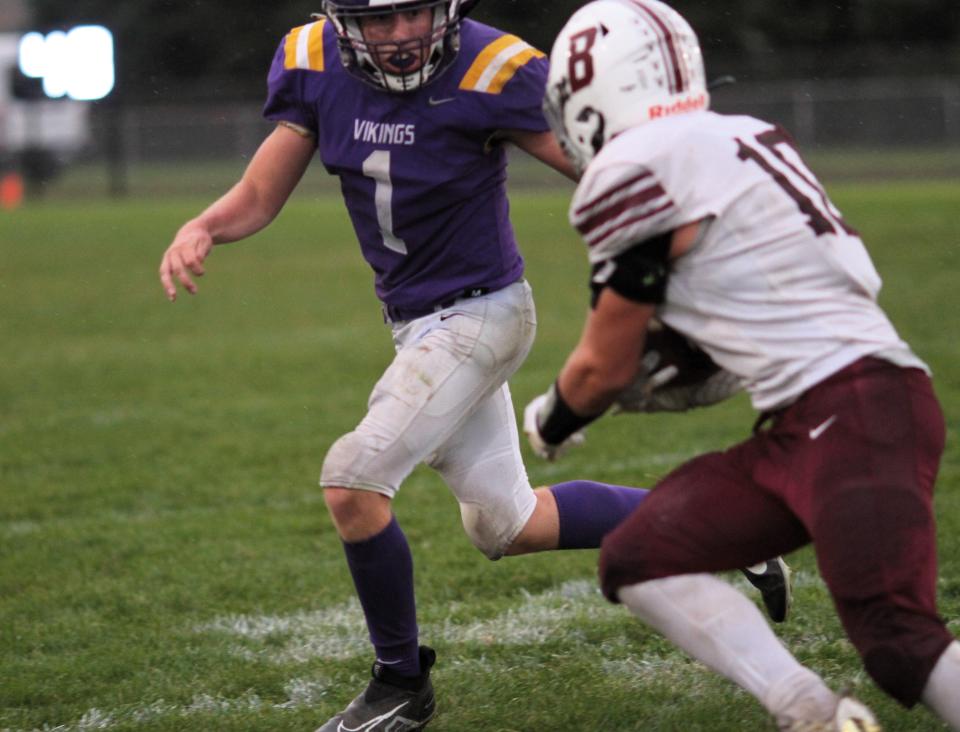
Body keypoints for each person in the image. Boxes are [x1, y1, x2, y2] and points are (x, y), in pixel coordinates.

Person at [158, 1, 788, 730]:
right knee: (507, 526)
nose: (399, 36)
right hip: (414, 322)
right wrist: (204, 225)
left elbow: (604, 174)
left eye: (413, 15)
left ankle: (400, 687)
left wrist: (690, 249)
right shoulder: (311, 59)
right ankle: (730, 528)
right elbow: (261, 194)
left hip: (483, 312)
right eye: (378, 20)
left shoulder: (493, 69)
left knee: (352, 479)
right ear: (342, 22)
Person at [524, 1, 960, 730]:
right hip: (819, 416)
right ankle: (809, 712)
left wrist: (555, 418)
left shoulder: (638, 162)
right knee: (639, 555)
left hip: (852, 410)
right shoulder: (742, 133)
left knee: (897, 638)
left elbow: (602, 364)